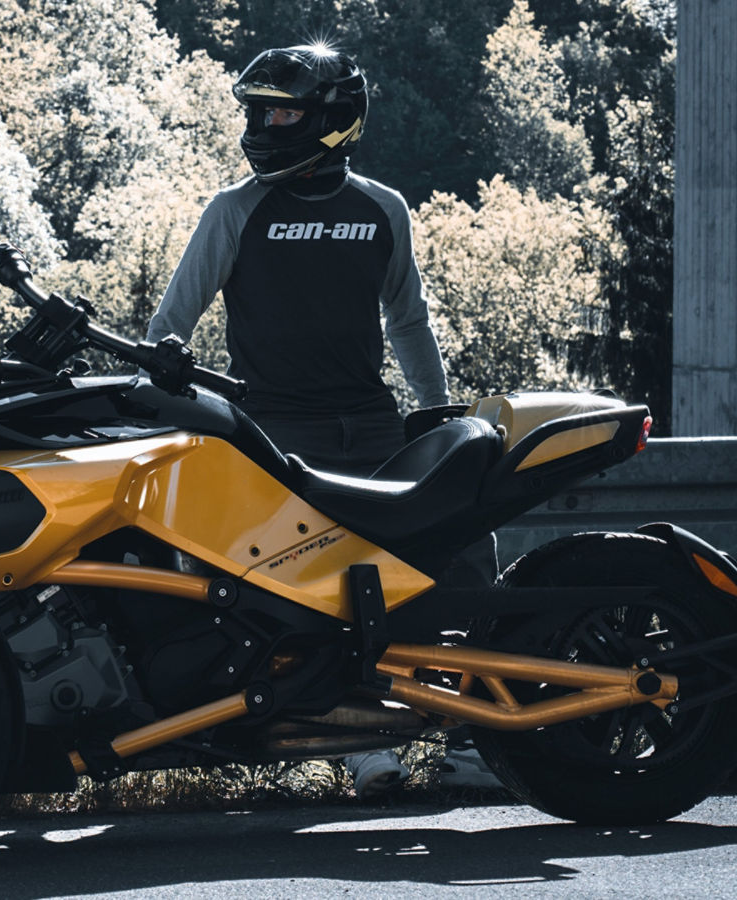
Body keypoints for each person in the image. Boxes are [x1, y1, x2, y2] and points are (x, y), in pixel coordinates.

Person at [145, 43, 498, 797]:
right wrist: (168, 356)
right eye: (259, 111)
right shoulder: (234, 211)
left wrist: (431, 407)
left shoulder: (382, 209)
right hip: (275, 436)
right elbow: (170, 325)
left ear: (334, 119)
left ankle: (480, 739)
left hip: (371, 426)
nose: (264, 124)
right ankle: (362, 747)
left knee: (459, 555)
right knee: (317, 596)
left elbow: (408, 321)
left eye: (282, 111)